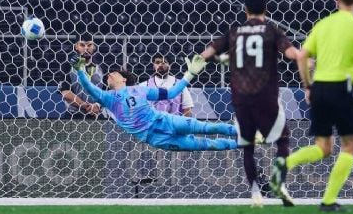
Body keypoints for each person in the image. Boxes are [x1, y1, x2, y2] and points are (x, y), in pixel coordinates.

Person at [271, 0, 353, 212]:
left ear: (336, 0)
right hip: (343, 89)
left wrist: (308, 86)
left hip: (320, 89)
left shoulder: (322, 25)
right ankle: (327, 201)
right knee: (350, 146)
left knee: (323, 147)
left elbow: (302, 56)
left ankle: (285, 164)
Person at [200, 0, 300, 207]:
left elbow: (207, 53)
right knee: (282, 140)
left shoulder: (235, 32)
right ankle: (279, 182)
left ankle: (255, 192)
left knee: (247, 146)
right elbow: (291, 53)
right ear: (266, 10)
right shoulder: (272, 30)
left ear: (245, 10)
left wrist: (216, 59)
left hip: (241, 97)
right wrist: (305, 59)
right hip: (266, 95)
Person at [71, 53, 238, 151]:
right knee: (206, 145)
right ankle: (244, 143)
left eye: (113, 73)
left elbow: (172, 92)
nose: (109, 75)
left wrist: (190, 74)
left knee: (208, 127)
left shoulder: (140, 90)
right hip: (155, 138)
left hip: (165, 121)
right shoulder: (107, 98)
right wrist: (79, 69)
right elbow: (89, 86)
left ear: (123, 79)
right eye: (108, 74)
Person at [58, 38, 103, 119]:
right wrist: (86, 106)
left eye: (89, 45)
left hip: (97, 114)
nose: (86, 48)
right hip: (74, 115)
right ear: (76, 47)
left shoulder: (102, 66)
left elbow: (109, 91)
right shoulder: (67, 66)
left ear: (94, 47)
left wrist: (97, 105)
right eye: (82, 45)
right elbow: (66, 94)